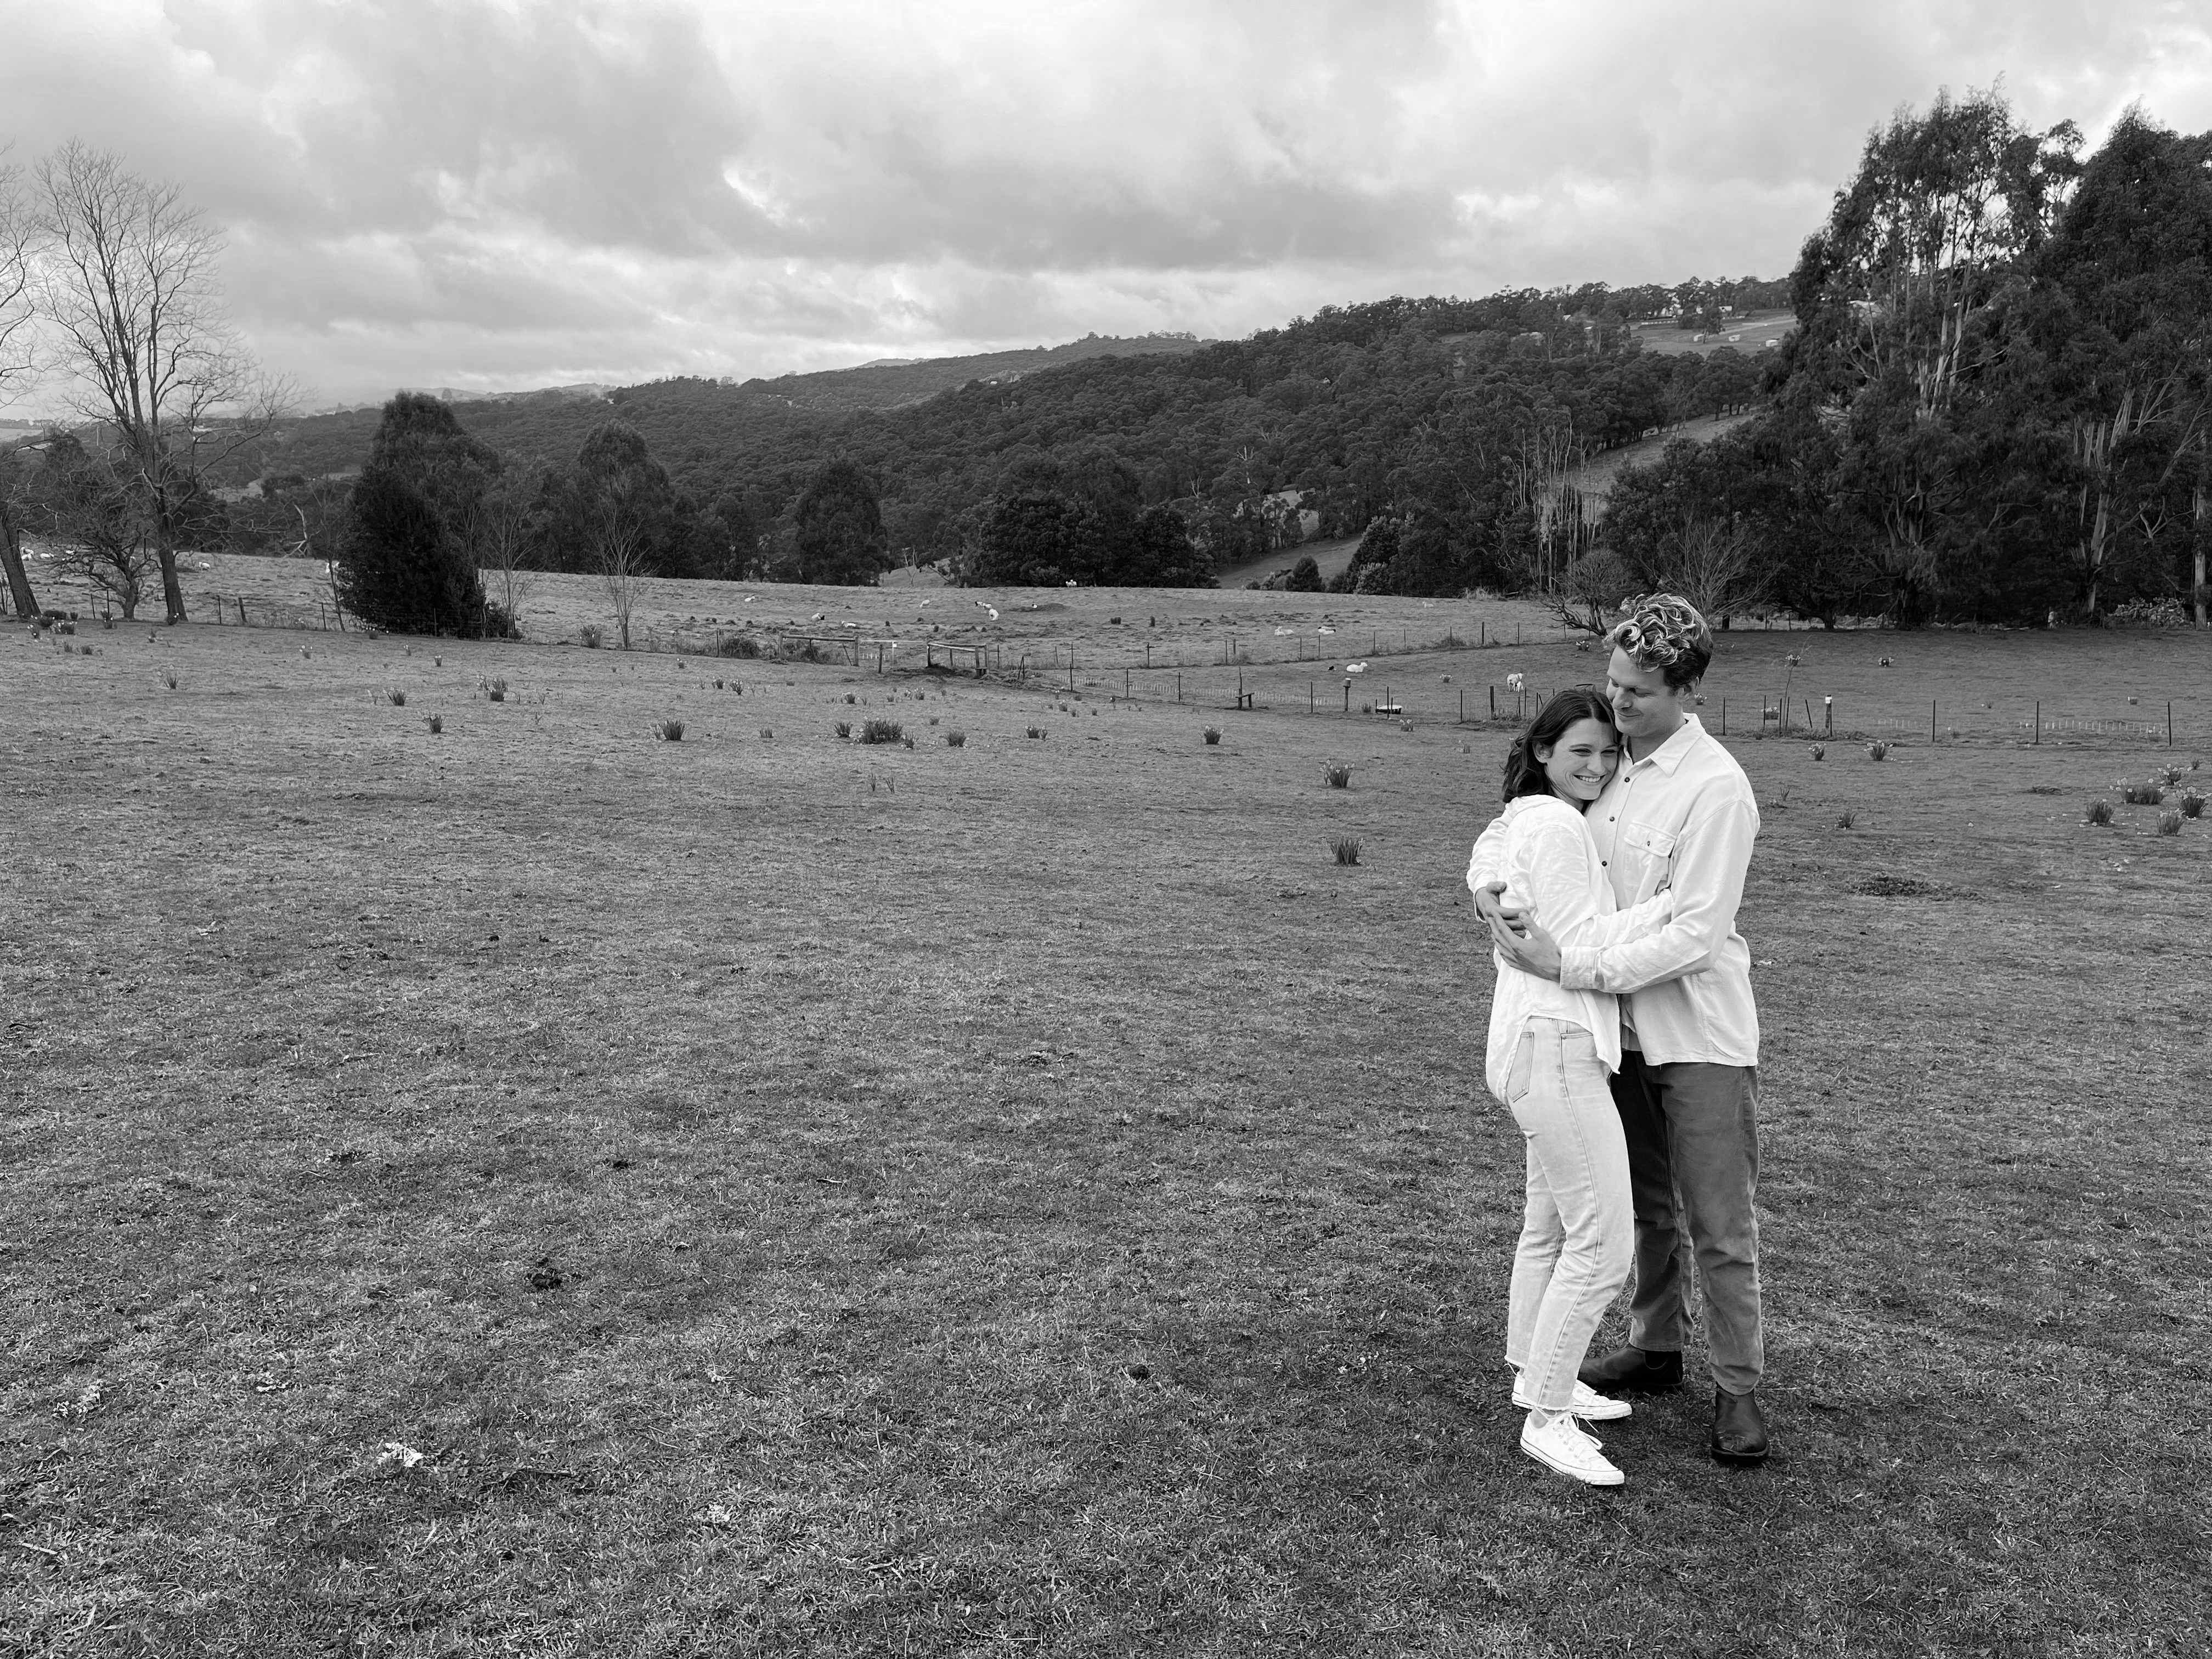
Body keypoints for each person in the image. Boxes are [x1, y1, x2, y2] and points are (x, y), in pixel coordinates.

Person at [1470, 594, 1771, 1466]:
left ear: (1686, 686)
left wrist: (1571, 967)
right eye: (1612, 684)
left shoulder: (1716, 789)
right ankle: (1657, 1346)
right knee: (1639, 1205)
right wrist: (1489, 888)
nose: (1618, 704)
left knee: (1719, 1219)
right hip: (1615, 1034)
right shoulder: (1604, 771)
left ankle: (1740, 1389)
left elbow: (1694, 934)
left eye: (1635, 691)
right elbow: (1516, 823)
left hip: (1697, 1032)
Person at [1470, 687, 1675, 1488]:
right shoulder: (1555, 823)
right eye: (1580, 751)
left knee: (1550, 1225)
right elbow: (1571, 944)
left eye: (1607, 752)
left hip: (1535, 1043)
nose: (1597, 765)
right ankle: (1547, 1416)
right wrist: (1668, 910)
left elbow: (1491, 847)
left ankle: (1536, 1371)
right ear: (1546, 752)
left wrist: (1483, 882)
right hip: (1554, 1044)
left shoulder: (1530, 814)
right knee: (1603, 1241)